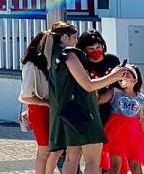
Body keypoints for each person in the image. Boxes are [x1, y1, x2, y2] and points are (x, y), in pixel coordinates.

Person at [45, 21, 127, 174]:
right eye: (74, 37)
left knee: (72, 157)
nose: (75, 41)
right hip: (85, 112)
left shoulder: (53, 56)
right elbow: (88, 85)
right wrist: (114, 76)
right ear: (64, 37)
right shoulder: (69, 54)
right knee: (92, 161)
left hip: (69, 113)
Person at [19, 30, 63, 174]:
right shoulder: (32, 66)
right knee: (44, 150)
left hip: (51, 108)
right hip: (40, 109)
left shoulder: (50, 64)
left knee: (54, 149)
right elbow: (26, 96)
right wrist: (46, 102)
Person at [99, 65, 144, 174]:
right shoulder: (115, 92)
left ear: (135, 79)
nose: (123, 77)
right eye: (122, 74)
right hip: (117, 133)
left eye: (127, 75)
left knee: (136, 166)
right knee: (115, 165)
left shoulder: (140, 97)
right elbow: (99, 100)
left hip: (134, 135)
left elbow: (141, 118)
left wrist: (143, 136)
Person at [78, 31, 122, 131]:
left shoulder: (112, 60)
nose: (95, 51)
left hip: (112, 106)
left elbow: (119, 84)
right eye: (91, 49)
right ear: (85, 49)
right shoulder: (82, 63)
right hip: (91, 107)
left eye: (98, 47)